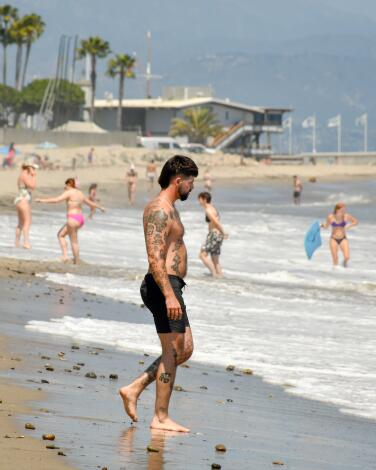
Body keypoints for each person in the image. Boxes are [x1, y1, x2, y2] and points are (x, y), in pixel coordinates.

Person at [119, 155, 199, 433]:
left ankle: (134, 388)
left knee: (184, 349)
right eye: (190, 182)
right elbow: (155, 258)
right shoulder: (159, 210)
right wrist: (169, 294)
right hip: (162, 286)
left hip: (170, 286)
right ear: (179, 180)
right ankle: (160, 417)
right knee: (172, 350)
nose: (192, 187)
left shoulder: (171, 208)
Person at [36, 178, 105, 264]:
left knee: (74, 241)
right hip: (80, 219)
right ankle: (66, 256)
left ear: (69, 184)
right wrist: (100, 207)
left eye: (66, 185)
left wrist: (42, 200)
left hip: (72, 219)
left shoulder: (69, 192)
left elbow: (56, 200)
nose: (64, 187)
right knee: (61, 235)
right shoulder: (80, 193)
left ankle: (76, 261)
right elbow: (90, 203)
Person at [198, 191, 228, 277]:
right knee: (215, 260)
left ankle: (214, 274)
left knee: (202, 255)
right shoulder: (213, 208)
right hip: (217, 235)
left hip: (214, 235)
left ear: (204, 199)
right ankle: (220, 277)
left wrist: (223, 232)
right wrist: (222, 234)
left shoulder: (208, 210)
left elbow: (216, 222)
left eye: (199, 199)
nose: (199, 202)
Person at [321, 202, 358, 267]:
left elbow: (356, 221)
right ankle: (336, 273)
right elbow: (326, 227)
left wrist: (349, 226)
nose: (344, 211)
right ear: (337, 210)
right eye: (342, 209)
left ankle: (344, 266)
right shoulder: (330, 217)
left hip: (343, 238)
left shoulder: (346, 216)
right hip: (333, 239)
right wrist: (321, 225)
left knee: (347, 257)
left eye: (344, 209)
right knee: (335, 259)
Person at [14, 162, 38, 249]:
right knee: (27, 222)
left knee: (20, 223)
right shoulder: (24, 175)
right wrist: (34, 176)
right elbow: (32, 186)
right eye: (33, 168)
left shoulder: (22, 175)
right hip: (23, 201)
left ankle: (17, 243)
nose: (34, 170)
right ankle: (26, 243)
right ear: (29, 168)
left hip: (20, 200)